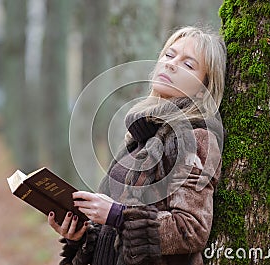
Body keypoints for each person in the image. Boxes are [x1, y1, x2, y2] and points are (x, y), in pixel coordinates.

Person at [48, 25, 227, 265]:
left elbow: (191, 230)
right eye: (169, 54)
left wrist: (117, 215)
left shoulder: (194, 138)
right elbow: (115, 229)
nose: (171, 64)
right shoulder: (142, 136)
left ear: (205, 86)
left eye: (188, 64)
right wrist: (82, 234)